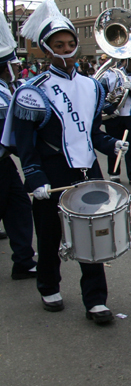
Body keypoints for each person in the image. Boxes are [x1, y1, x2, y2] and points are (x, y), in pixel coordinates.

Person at [2, 1, 128, 323]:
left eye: (71, 44)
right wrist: (34, 179)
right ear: (46, 49)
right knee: (49, 234)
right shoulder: (32, 92)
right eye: (59, 45)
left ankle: (96, 299)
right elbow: (26, 148)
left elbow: (91, 134)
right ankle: (48, 285)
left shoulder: (90, 86)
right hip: (52, 172)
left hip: (88, 170)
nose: (67, 51)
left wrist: (112, 143)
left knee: (94, 234)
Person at [0, 16, 37, 280]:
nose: (15, 67)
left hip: (4, 164)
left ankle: (23, 260)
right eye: (10, 64)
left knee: (19, 207)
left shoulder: (6, 89)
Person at [102, 52, 131, 186]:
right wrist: (109, 108)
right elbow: (101, 94)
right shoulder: (110, 75)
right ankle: (114, 173)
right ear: (127, 60)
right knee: (113, 146)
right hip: (113, 117)